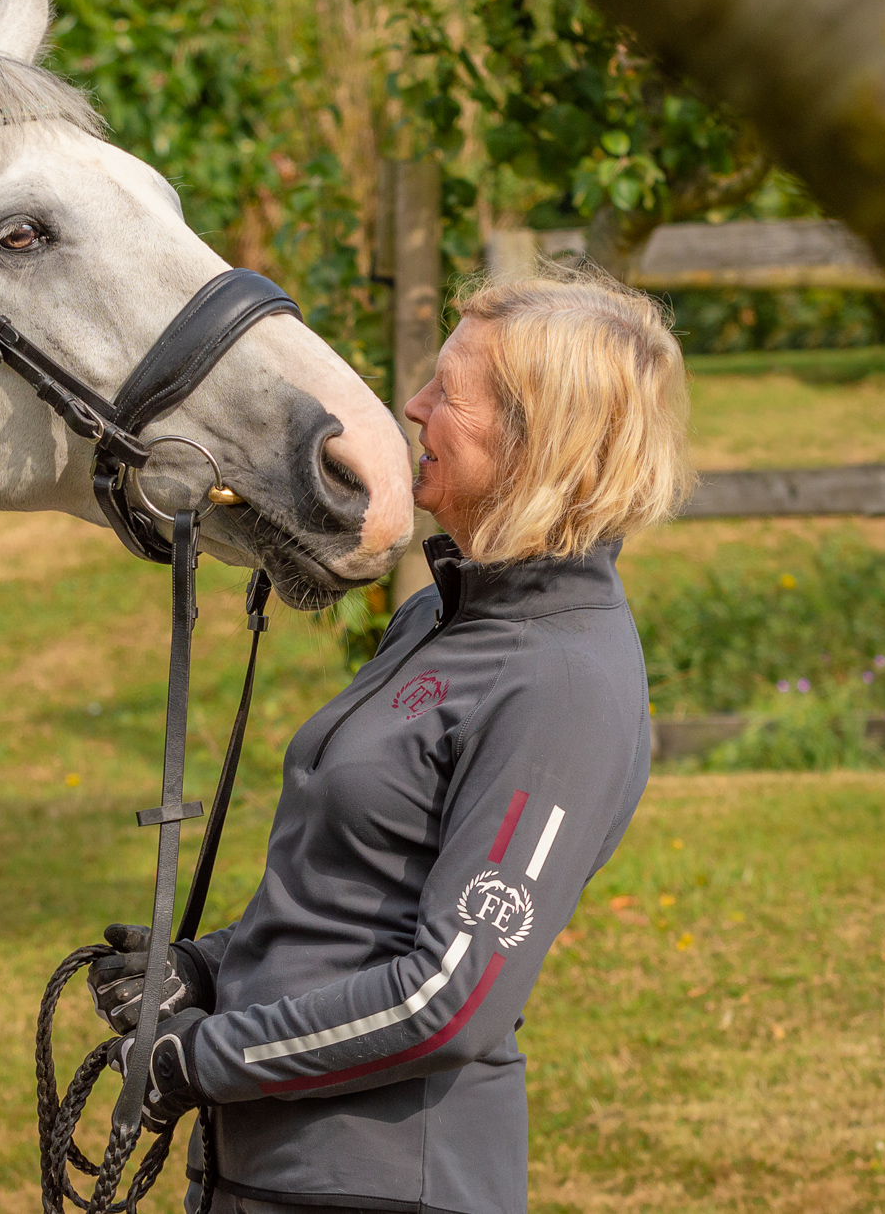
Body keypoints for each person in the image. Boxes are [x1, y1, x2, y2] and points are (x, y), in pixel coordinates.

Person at [89, 268, 693, 1214]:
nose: (413, 407)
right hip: (264, 1172)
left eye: (448, 392)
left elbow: (450, 1001)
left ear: (536, 440)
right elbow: (351, 891)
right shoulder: (439, 617)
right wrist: (208, 967)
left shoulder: (563, 683)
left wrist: (201, 1060)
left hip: (381, 1184)